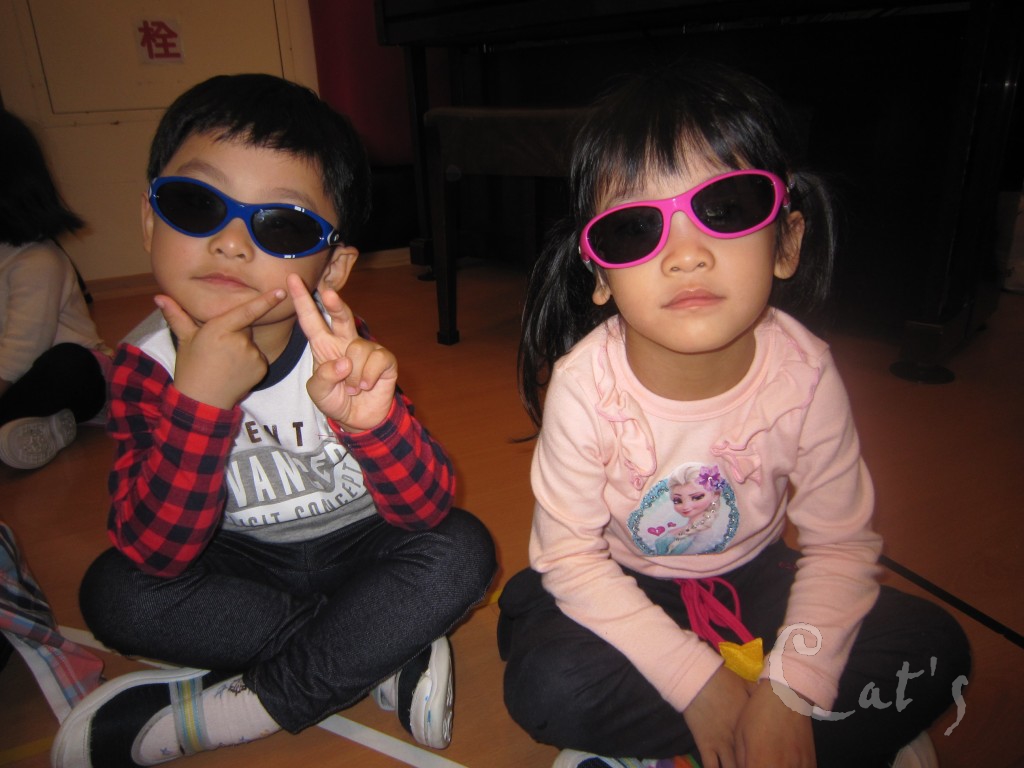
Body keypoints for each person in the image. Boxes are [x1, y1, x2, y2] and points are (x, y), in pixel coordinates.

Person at [497, 61, 971, 768]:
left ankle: (736, 735)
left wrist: (790, 689)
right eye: (633, 229)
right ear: (598, 274)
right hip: (624, 585)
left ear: (787, 242)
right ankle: (787, 736)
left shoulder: (805, 374)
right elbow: (571, 560)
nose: (686, 255)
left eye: (726, 208)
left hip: (758, 581)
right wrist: (698, 684)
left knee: (936, 649)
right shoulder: (582, 386)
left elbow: (840, 548)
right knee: (545, 679)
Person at [51, 74, 496, 767]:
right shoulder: (143, 365)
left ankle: (240, 710)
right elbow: (158, 553)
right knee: (116, 593)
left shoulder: (339, 349)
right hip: (237, 565)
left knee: (462, 549)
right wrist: (199, 408)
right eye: (196, 204)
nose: (231, 243)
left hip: (362, 547)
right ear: (150, 222)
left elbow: (424, 510)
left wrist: (374, 426)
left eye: (282, 224)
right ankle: (374, 648)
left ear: (333, 268)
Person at [0, 109, 111, 470]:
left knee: (67, 363)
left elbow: (20, 350)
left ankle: (29, 419)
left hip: (79, 377)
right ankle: (38, 425)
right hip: (20, 381)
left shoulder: (36, 260)